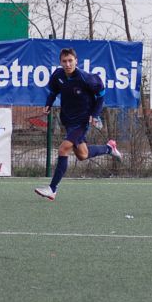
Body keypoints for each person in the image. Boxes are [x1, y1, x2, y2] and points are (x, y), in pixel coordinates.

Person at [34, 48, 122, 201]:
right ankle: (109, 148)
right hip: (68, 120)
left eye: (70, 61)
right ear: (60, 62)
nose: (67, 64)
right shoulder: (58, 75)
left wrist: (94, 115)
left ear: (76, 60)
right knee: (82, 155)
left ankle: (52, 188)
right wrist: (48, 104)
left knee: (63, 149)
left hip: (82, 121)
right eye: (64, 61)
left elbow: (101, 96)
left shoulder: (86, 78)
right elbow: (53, 92)